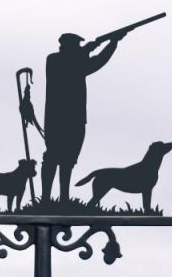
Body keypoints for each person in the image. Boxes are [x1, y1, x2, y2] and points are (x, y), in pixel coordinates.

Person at [42, 33, 119, 204]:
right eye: (76, 45)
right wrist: (101, 47)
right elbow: (88, 64)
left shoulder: (75, 60)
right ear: (69, 46)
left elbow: (93, 62)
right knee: (53, 157)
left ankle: (63, 199)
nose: (79, 47)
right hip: (58, 117)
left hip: (75, 118)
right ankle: (46, 199)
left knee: (68, 160)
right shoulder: (55, 60)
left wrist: (111, 44)